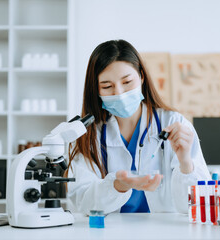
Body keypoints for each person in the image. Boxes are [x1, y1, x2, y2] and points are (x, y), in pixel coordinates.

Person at [65, 39, 210, 214]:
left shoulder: (173, 123)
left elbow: (196, 206)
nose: (119, 93)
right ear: (96, 90)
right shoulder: (87, 135)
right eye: (107, 86)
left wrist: (186, 163)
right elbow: (82, 202)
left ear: (141, 77)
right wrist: (117, 186)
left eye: (127, 82)